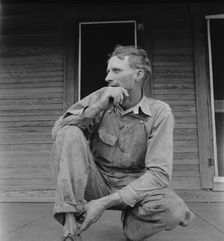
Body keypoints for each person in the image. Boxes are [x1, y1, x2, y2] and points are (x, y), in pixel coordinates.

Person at [51, 45, 195, 241]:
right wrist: (95, 108)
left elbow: (159, 175)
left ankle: (132, 223)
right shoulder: (101, 96)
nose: (108, 77)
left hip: (134, 186)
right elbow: (58, 132)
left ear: (138, 75)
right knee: (69, 131)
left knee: (174, 210)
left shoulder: (160, 113)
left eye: (116, 70)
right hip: (96, 181)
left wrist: (103, 203)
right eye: (108, 70)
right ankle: (70, 228)